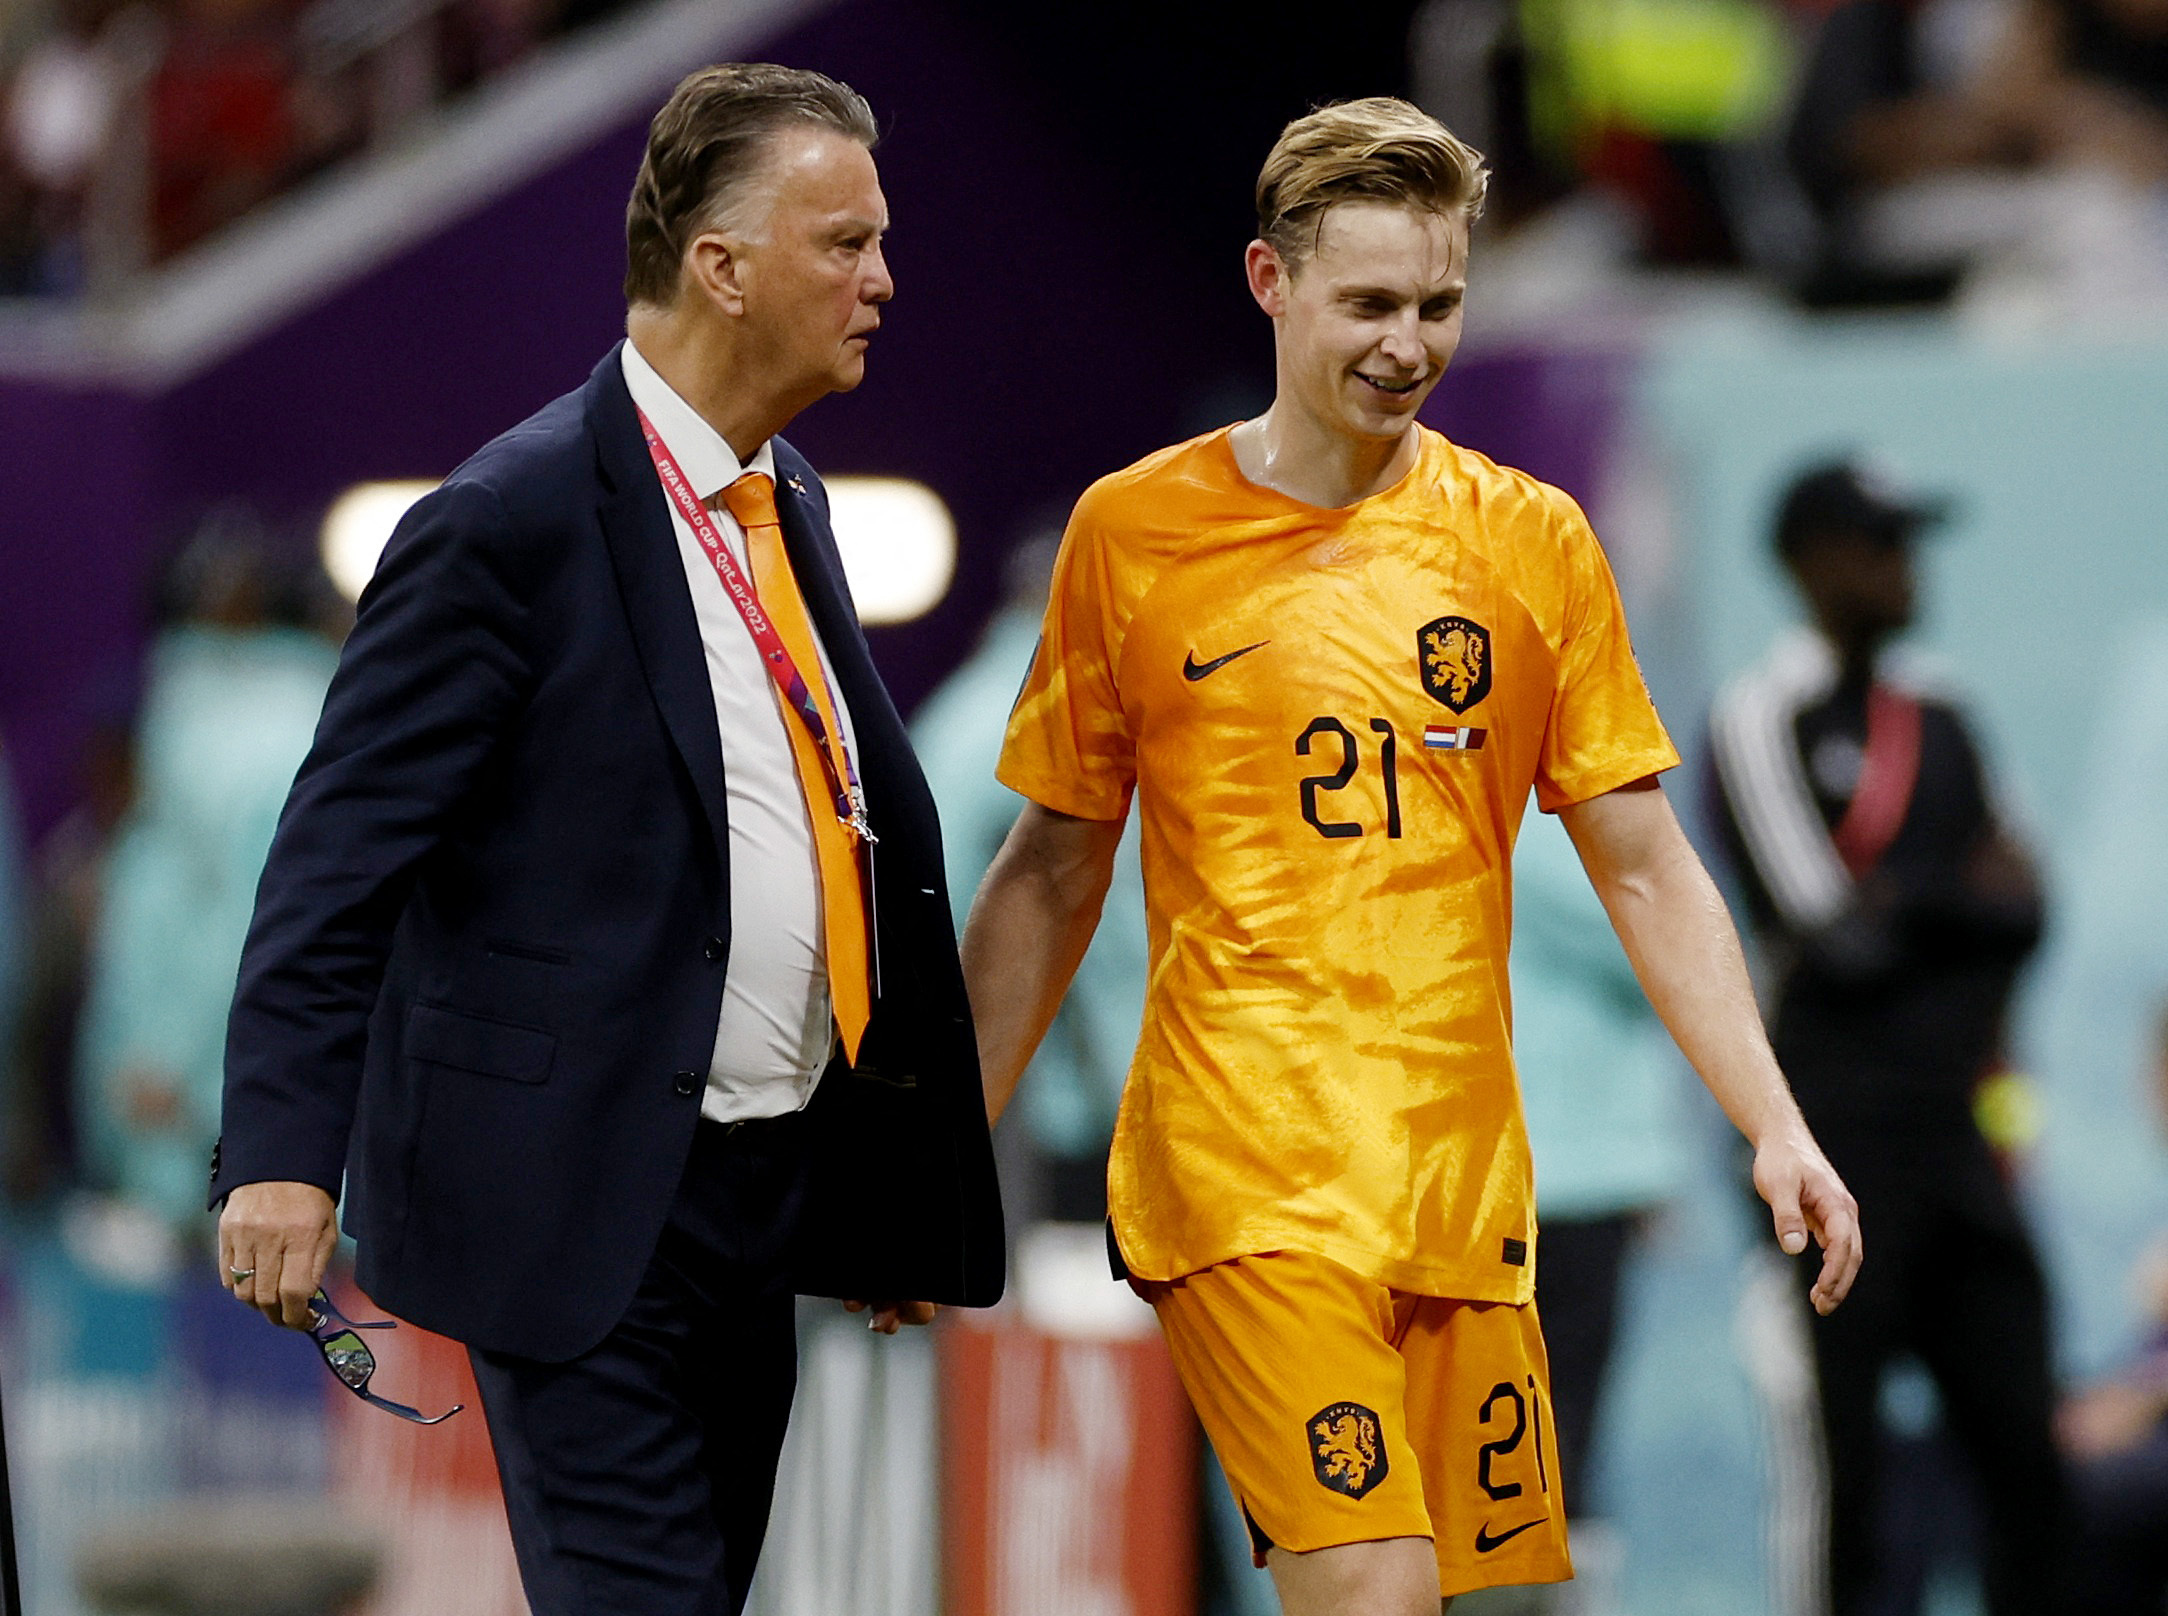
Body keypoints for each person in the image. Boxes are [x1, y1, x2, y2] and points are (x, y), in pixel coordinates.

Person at [961, 97, 1860, 1616]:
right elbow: (1050, 869)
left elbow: (1645, 865)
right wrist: (933, 1161)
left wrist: (1773, 1122)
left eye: (1438, 304)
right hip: (1243, 1180)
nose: (1407, 342)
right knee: (1371, 1586)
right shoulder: (1136, 535)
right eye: (1369, 303)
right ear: (1272, 283)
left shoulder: (1530, 543)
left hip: (1461, 1193)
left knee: (1495, 1606)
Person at [209, 63, 1002, 1616]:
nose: (883, 279)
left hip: (757, 1207)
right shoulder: (502, 523)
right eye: (844, 242)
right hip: (580, 1201)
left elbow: (826, 848)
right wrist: (281, 1159)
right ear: (722, 264)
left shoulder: (793, 504)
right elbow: (336, 863)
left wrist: (883, 1186)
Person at [1708, 459, 2062, 1616]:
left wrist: (1907, 902)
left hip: (1956, 1137)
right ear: (1809, 563)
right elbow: (1823, 932)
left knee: (2023, 1452)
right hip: (1832, 1152)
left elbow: (2027, 909)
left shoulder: (1944, 711)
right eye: (1879, 544)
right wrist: (1952, 895)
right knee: (1843, 1479)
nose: (1905, 568)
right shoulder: (1759, 715)